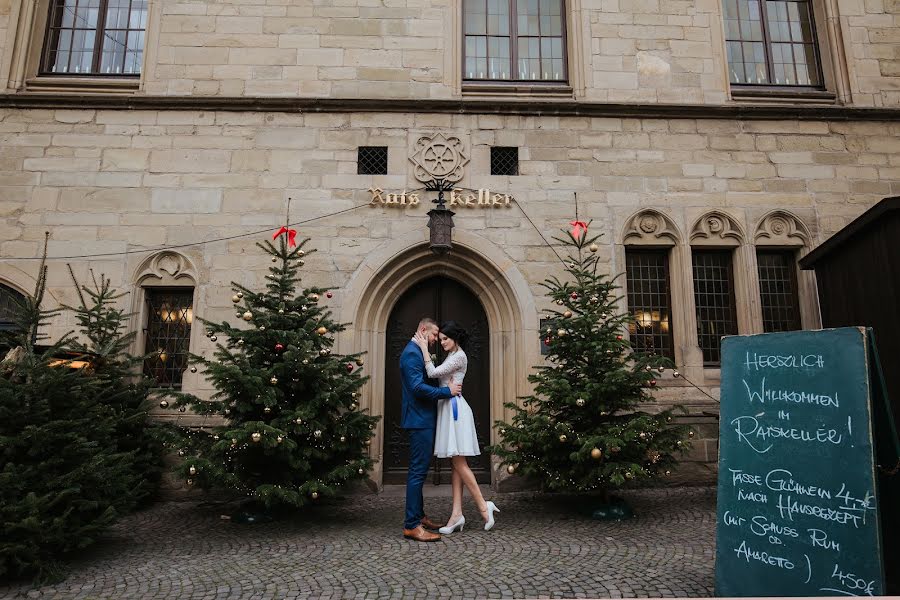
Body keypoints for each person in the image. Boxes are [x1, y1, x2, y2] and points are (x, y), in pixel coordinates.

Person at [413, 320, 499, 534]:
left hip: (455, 412)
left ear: (455, 339)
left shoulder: (459, 356)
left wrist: (424, 348)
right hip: (449, 409)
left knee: (459, 463)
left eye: (445, 339)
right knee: (456, 463)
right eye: (440, 339)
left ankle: (483, 506)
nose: (441, 343)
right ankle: (456, 514)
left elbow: (433, 373)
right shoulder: (452, 356)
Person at [400, 317, 463, 542]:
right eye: (435, 335)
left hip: (424, 418)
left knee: (420, 471)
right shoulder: (411, 353)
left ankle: (419, 516)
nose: (437, 340)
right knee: (417, 473)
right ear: (423, 330)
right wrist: (447, 392)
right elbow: (417, 388)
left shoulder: (418, 352)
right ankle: (411, 525)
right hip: (419, 420)